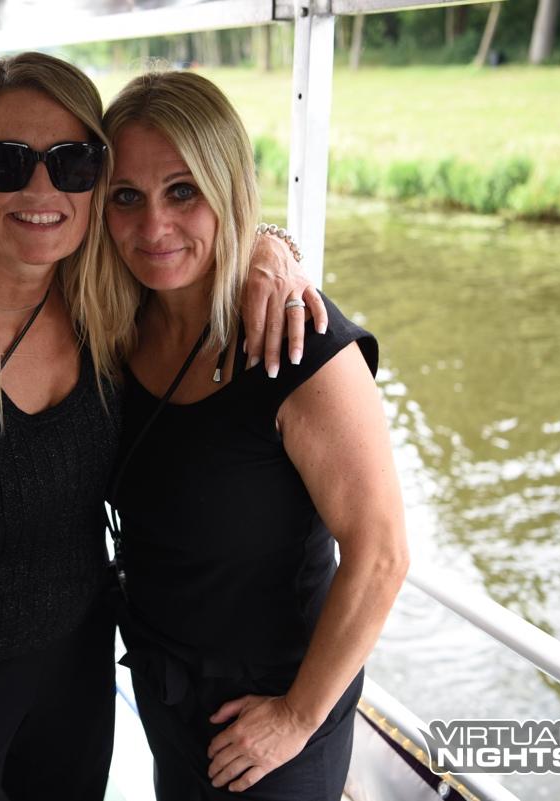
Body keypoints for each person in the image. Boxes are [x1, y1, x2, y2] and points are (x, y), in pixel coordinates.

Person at [0, 52, 319, 801]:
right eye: (7, 161)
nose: (41, 189)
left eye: (72, 162)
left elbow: (192, 238)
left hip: (79, 669)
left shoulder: (108, 307)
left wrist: (271, 248)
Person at [102, 70, 409, 800]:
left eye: (183, 191)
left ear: (230, 188)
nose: (154, 226)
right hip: (166, 690)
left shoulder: (298, 342)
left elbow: (381, 553)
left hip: (273, 718)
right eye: (126, 197)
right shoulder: (115, 325)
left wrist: (297, 717)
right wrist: (270, 240)